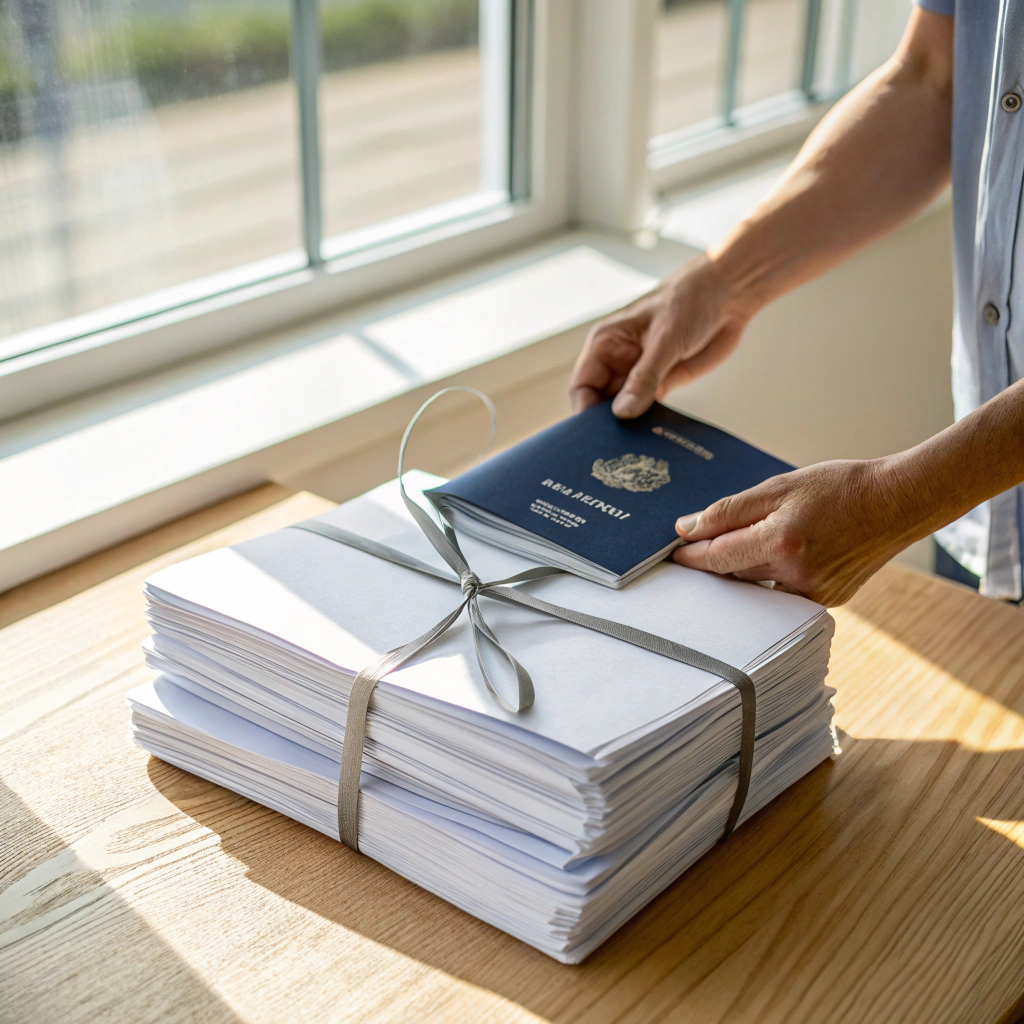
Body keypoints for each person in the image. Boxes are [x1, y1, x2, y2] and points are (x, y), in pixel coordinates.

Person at [569, 2, 1024, 607]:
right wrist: (721, 280)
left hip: (953, 484)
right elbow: (934, 80)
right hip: (983, 512)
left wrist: (903, 497)